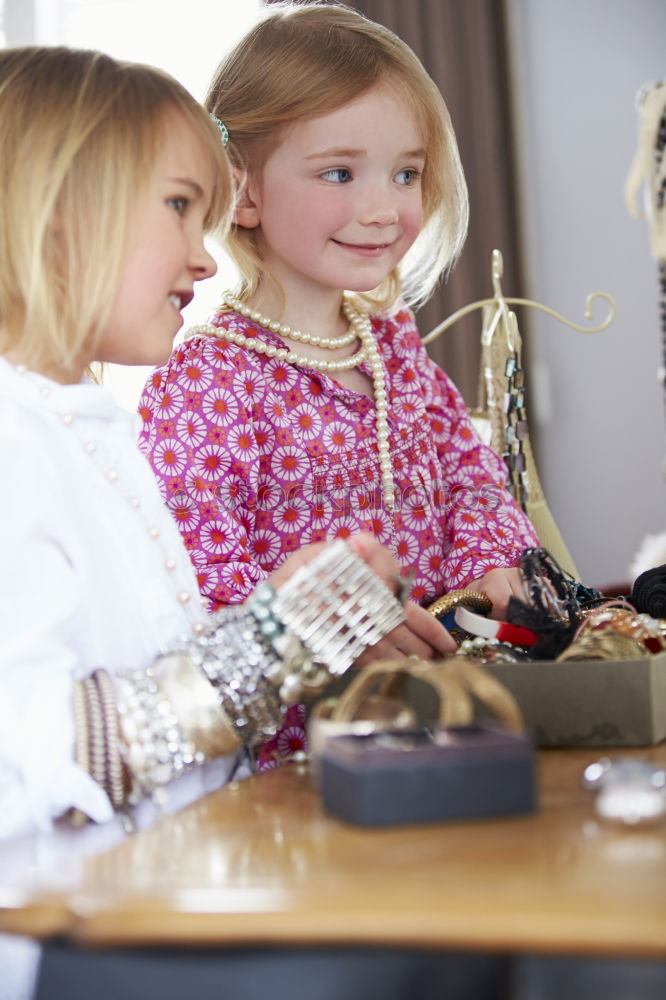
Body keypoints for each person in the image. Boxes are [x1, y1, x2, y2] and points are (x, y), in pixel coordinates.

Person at [0, 43, 455, 847]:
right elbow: (44, 761)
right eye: (178, 205)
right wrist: (282, 639)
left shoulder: (77, 428)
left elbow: (159, 684)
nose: (203, 257)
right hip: (82, 933)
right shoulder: (15, 446)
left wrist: (300, 615)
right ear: (55, 214)